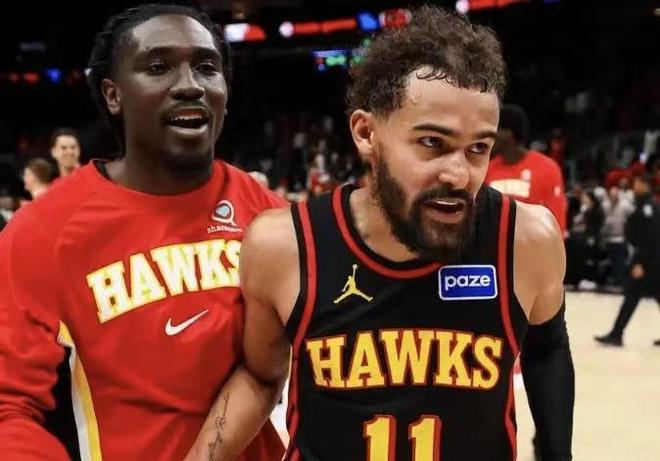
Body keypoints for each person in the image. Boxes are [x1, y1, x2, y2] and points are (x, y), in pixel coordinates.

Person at [187, 6, 574, 461]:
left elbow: (548, 349)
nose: (458, 173)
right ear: (366, 133)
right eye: (432, 143)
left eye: (478, 148)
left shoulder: (526, 239)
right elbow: (260, 375)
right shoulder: (284, 245)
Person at [0, 4, 286, 460]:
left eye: (207, 68)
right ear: (113, 95)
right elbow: (10, 407)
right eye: (158, 67)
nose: (190, 85)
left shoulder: (272, 217)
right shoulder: (42, 232)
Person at [595, 174, 660, 346]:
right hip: (651, 261)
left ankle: (616, 334)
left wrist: (640, 262)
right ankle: (616, 333)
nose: (635, 185)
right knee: (644, 295)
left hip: (649, 262)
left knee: (632, 296)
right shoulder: (642, 204)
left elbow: (650, 237)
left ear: (646, 185)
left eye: (638, 182)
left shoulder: (648, 207)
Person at [486, 104, 568, 237]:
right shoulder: (488, 168)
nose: (489, 137)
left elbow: (557, 223)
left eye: (495, 130)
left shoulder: (547, 168)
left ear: (509, 133)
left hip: (532, 246)